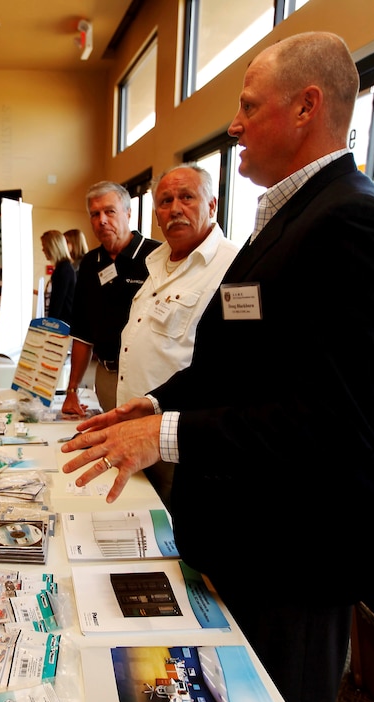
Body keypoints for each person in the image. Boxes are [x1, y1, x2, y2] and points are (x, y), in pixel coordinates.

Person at [60, 32, 374, 702]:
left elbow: (331, 422)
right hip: (248, 533)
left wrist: (159, 435)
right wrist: (152, 402)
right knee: (225, 697)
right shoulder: (287, 221)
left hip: (300, 549)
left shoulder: (356, 224)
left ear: (307, 106)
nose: (234, 126)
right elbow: (234, 364)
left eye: (250, 106)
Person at [115, 164, 241, 507]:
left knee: (177, 535)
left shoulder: (234, 268)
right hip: (134, 428)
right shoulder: (154, 262)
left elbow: (230, 368)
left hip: (179, 440)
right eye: (165, 201)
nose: (175, 209)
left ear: (212, 205)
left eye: (187, 197)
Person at [63, 182, 160, 415]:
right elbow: (82, 332)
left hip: (147, 378)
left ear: (128, 213)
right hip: (106, 376)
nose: (102, 220)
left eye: (110, 211)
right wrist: (72, 390)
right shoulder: (89, 263)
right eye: (95, 214)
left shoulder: (157, 256)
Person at [40, 229, 75, 323]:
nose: (42, 250)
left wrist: (49, 325)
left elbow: (57, 304)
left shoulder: (64, 269)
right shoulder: (62, 268)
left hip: (61, 326)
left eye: (44, 246)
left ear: (52, 247)